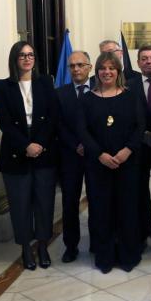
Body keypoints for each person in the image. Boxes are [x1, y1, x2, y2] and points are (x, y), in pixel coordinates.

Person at [77, 52, 144, 273]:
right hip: (98, 166)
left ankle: (128, 256)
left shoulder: (131, 95)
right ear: (96, 72)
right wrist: (99, 154)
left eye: (111, 68)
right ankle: (104, 257)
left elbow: (139, 126)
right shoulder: (87, 99)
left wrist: (127, 150)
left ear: (118, 72)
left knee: (127, 209)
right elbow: (83, 131)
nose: (107, 72)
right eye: (103, 68)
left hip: (128, 163)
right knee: (101, 210)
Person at [0, 41, 59, 270]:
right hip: (16, 152)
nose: (27, 58)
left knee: (44, 202)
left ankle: (42, 246)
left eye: (31, 54)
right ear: (14, 59)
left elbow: (53, 117)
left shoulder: (45, 82)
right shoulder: (2, 86)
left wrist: (39, 143)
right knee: (20, 205)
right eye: (22, 55)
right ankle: (25, 249)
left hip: (44, 152)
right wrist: (26, 146)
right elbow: (5, 123)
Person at [57, 50, 95, 263]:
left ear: (89, 67)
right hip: (70, 156)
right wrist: (76, 145)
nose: (76, 69)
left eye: (81, 65)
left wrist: (89, 145)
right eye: (72, 66)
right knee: (70, 202)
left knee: (97, 200)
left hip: (95, 155)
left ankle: (97, 241)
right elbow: (58, 125)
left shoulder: (100, 90)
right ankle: (70, 245)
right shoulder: (60, 93)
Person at [126, 45, 151, 243]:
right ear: (138, 62)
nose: (148, 61)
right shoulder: (128, 85)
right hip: (138, 146)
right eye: (144, 58)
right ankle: (146, 224)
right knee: (140, 188)